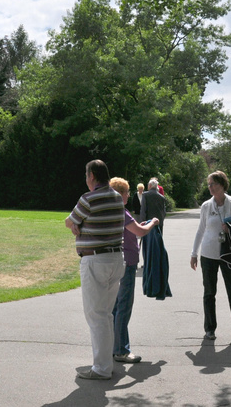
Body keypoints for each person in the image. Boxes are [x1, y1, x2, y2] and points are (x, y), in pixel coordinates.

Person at [65, 160, 158, 381]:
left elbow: (69, 222)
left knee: (96, 315)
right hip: (117, 260)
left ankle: (101, 368)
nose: (86, 179)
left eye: (87, 175)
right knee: (106, 315)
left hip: (96, 261)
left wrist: (77, 227)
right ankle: (106, 362)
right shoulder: (118, 198)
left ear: (92, 176)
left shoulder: (88, 198)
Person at [191, 171, 231, 343]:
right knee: (209, 293)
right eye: (208, 184)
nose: (210, 187)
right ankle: (210, 329)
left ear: (222, 185)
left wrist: (230, 228)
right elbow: (201, 230)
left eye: (213, 184)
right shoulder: (206, 206)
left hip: (228, 253)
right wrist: (194, 253)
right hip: (208, 254)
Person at [108, 178, 150, 364]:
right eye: (126, 192)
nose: (128, 195)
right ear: (119, 194)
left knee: (116, 307)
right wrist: (153, 223)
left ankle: (112, 346)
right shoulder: (122, 213)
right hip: (128, 263)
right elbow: (140, 231)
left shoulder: (112, 213)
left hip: (116, 263)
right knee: (123, 307)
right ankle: (121, 350)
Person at [139, 178, 174, 300]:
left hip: (148, 226)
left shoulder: (145, 195)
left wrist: (141, 226)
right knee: (158, 250)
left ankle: (148, 274)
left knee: (147, 251)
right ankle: (155, 273)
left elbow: (143, 211)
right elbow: (163, 213)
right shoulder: (161, 197)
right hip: (159, 226)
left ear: (149, 185)